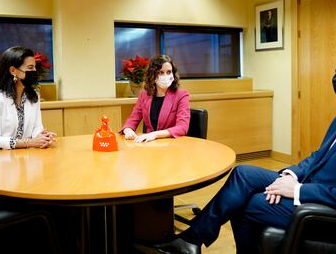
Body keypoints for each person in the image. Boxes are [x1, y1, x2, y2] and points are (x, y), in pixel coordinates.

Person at [139, 72, 336, 254]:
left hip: (322, 205)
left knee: (244, 203)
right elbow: (318, 156)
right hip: (306, 184)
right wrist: (290, 175)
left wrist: (298, 191)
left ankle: (191, 239)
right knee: (242, 174)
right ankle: (192, 239)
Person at [0, 46, 56, 154]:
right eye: (30, 67)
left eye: (35, 67)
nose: (35, 71)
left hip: (23, 157)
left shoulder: (33, 95)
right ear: (13, 70)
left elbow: (36, 128)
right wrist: (30, 142)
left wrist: (43, 137)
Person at [121, 55, 190, 143]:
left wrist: (155, 134)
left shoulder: (181, 95)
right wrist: (128, 129)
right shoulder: (144, 95)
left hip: (172, 145)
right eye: (161, 72)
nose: (165, 76)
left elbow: (182, 127)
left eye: (169, 72)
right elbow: (133, 119)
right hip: (149, 145)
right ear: (153, 76)